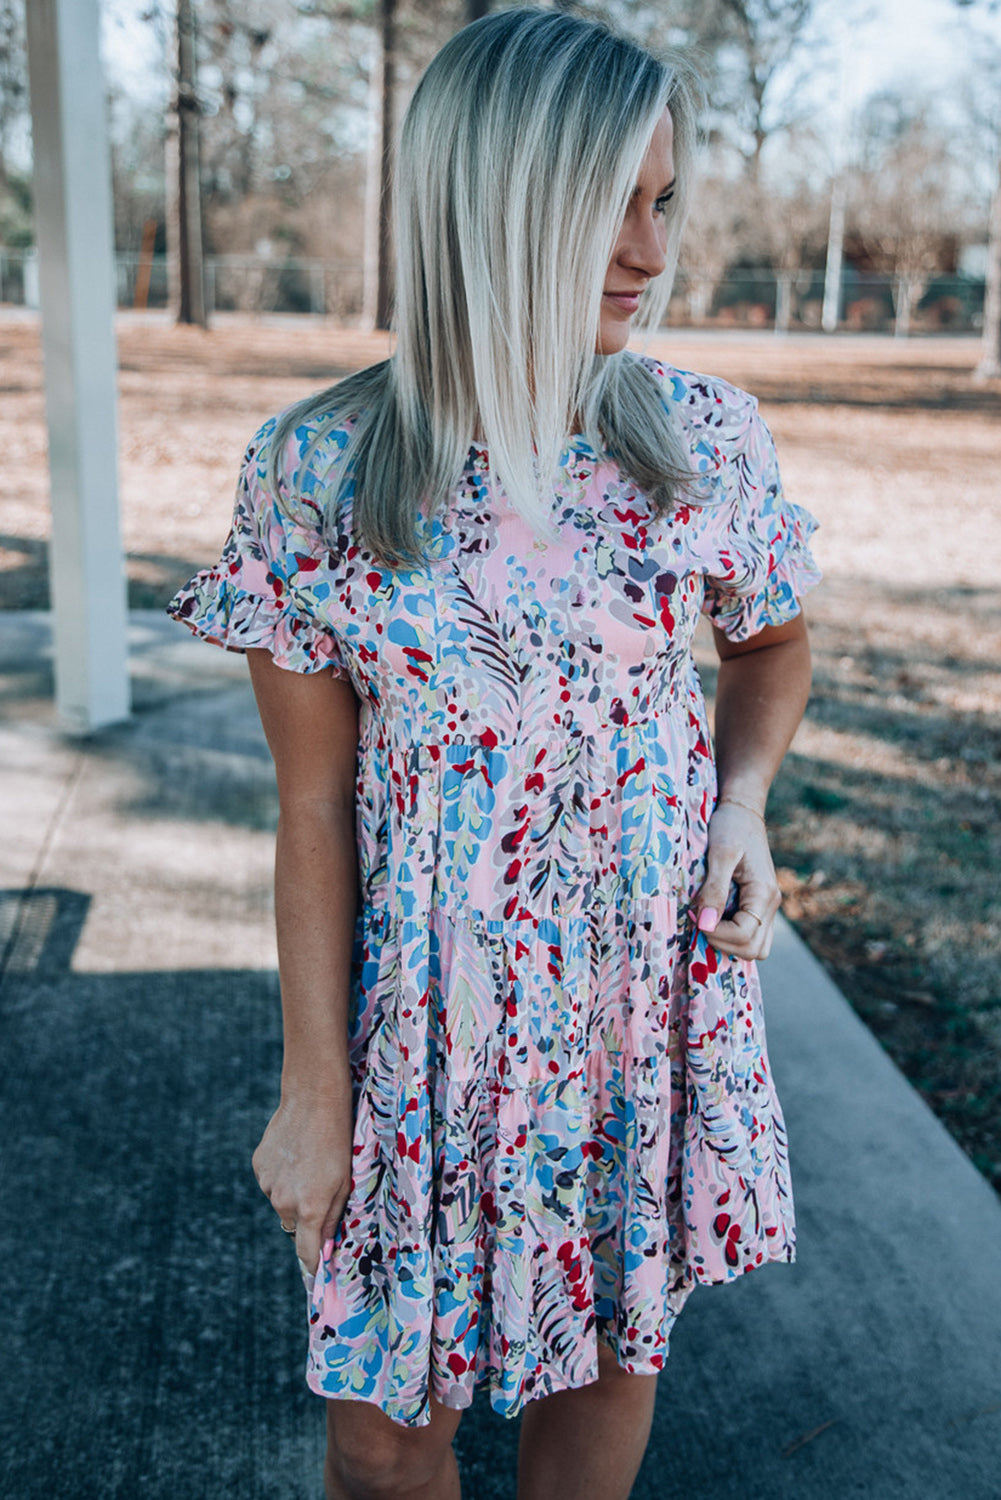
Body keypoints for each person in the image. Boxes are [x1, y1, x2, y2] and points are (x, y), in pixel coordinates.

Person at [168, 8, 820, 1498]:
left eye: (665, 203)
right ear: (492, 199)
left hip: (627, 1012)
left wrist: (742, 807)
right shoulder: (318, 468)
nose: (652, 253)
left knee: (595, 1386)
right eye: (611, 205)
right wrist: (314, 1091)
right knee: (381, 1453)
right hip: (423, 1040)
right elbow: (312, 810)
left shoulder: (704, 443)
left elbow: (770, 649)